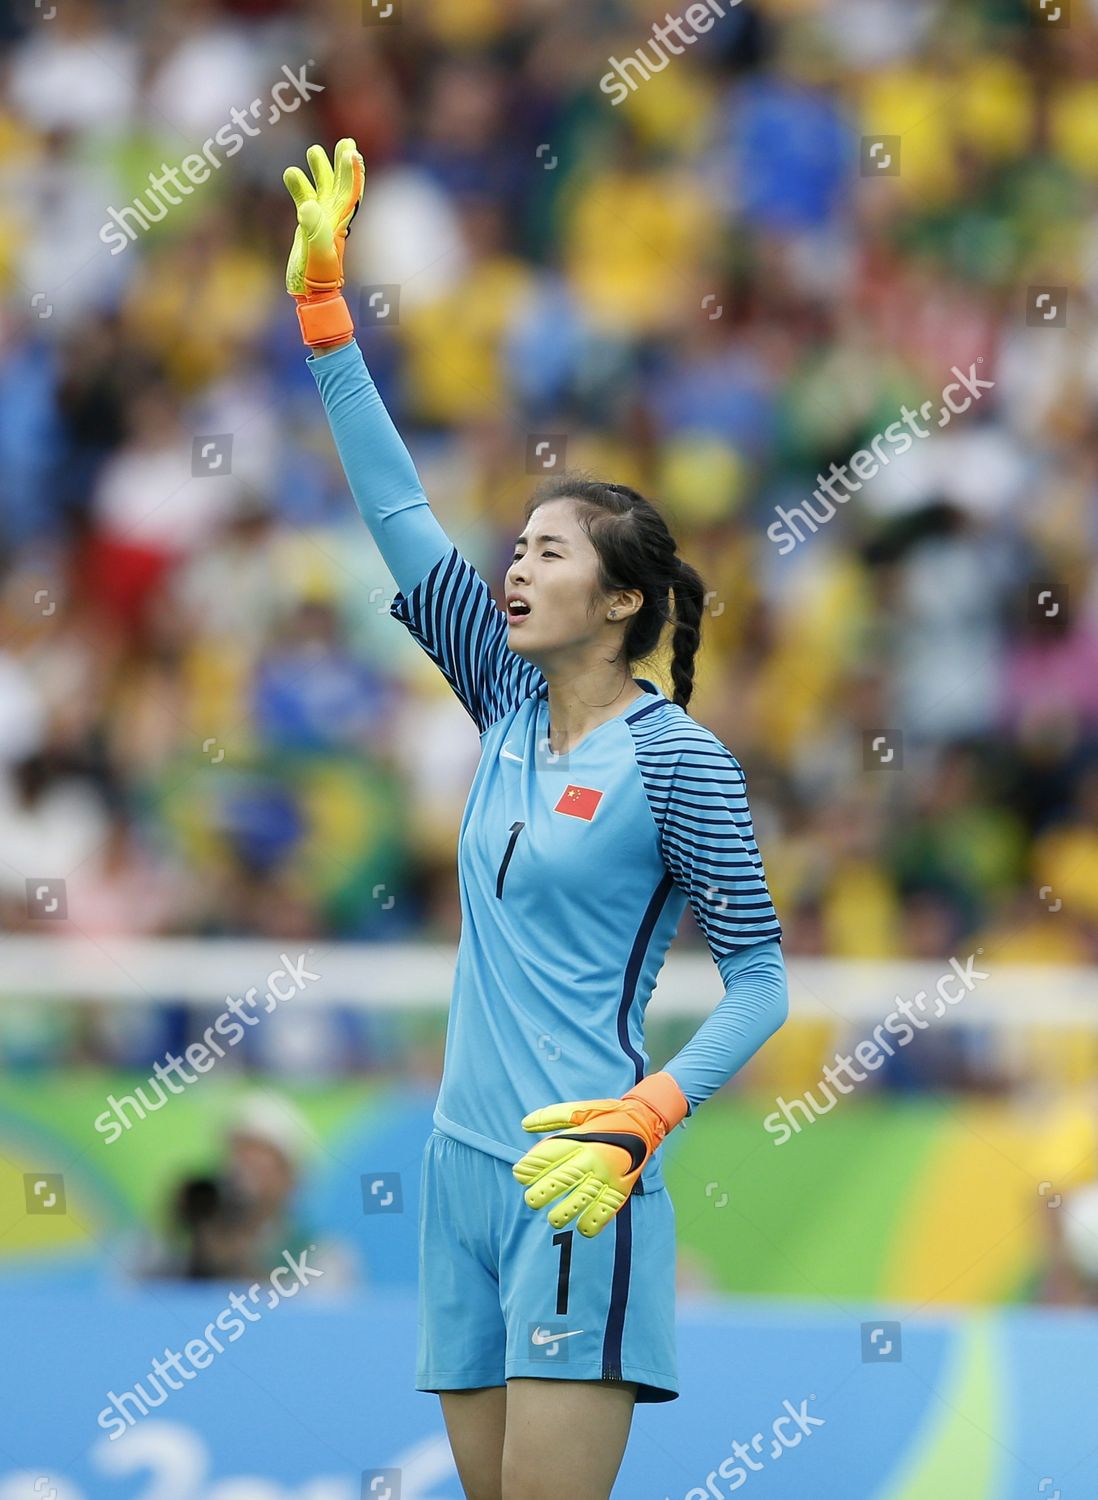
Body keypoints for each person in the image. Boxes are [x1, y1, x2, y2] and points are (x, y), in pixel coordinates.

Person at [284, 139, 789, 1500]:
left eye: (548, 550)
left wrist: (643, 1117)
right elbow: (395, 508)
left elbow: (760, 983)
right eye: (515, 544)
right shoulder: (499, 702)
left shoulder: (680, 762)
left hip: (579, 1171)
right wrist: (326, 316)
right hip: (456, 1175)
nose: (513, 561)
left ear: (621, 600)